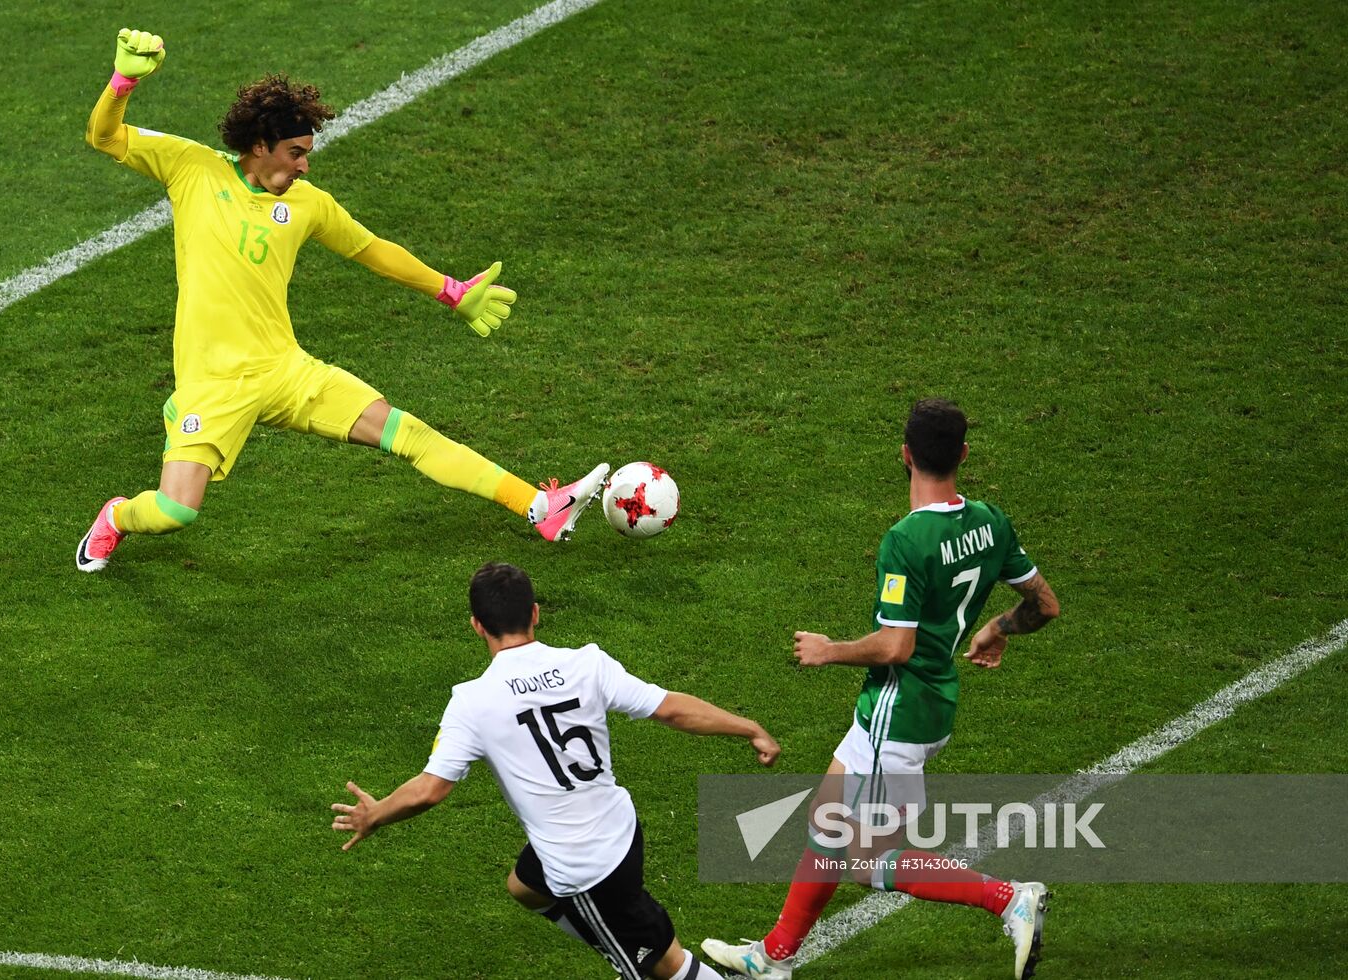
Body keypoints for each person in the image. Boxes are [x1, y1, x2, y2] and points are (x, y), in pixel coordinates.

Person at [76, 29, 608, 573]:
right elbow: (104, 136)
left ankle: (541, 506)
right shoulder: (192, 168)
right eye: (295, 153)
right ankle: (117, 517)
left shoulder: (308, 204)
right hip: (211, 386)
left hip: (286, 370)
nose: (304, 165)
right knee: (173, 512)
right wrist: (123, 83)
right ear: (260, 147)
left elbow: (372, 250)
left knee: (407, 432)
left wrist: (451, 291)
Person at [703, 398, 1061, 980]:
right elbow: (1045, 604)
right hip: (930, 702)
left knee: (868, 858)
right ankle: (774, 957)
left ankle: (1007, 899)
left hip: (899, 710)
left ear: (904, 454)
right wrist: (996, 629)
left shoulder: (906, 539)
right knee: (826, 823)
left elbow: (895, 646)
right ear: (963, 455)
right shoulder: (990, 520)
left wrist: (829, 649)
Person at [331, 562, 782, 979]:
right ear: (535, 613)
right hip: (620, 828)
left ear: (476, 625)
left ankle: (616, 942)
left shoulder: (472, 701)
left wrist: (375, 814)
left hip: (586, 867)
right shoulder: (586, 663)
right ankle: (609, 933)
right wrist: (749, 727)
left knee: (666, 966)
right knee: (524, 886)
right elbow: (670, 709)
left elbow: (429, 790)